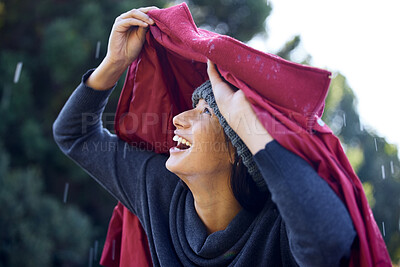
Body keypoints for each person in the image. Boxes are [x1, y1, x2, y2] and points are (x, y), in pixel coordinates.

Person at [53, 6, 356, 266]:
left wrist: (244, 121)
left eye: (206, 112)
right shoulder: (156, 190)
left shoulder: (280, 232)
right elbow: (74, 134)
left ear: (238, 149)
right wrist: (114, 62)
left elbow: (330, 242)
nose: (178, 118)